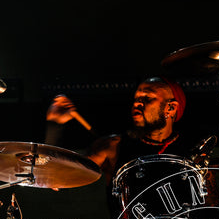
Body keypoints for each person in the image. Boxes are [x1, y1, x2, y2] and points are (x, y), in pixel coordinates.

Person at [45, 77, 195, 187]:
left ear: (171, 108)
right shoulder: (113, 147)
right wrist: (54, 125)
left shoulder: (193, 152)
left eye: (147, 98)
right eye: (136, 98)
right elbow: (56, 176)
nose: (136, 103)